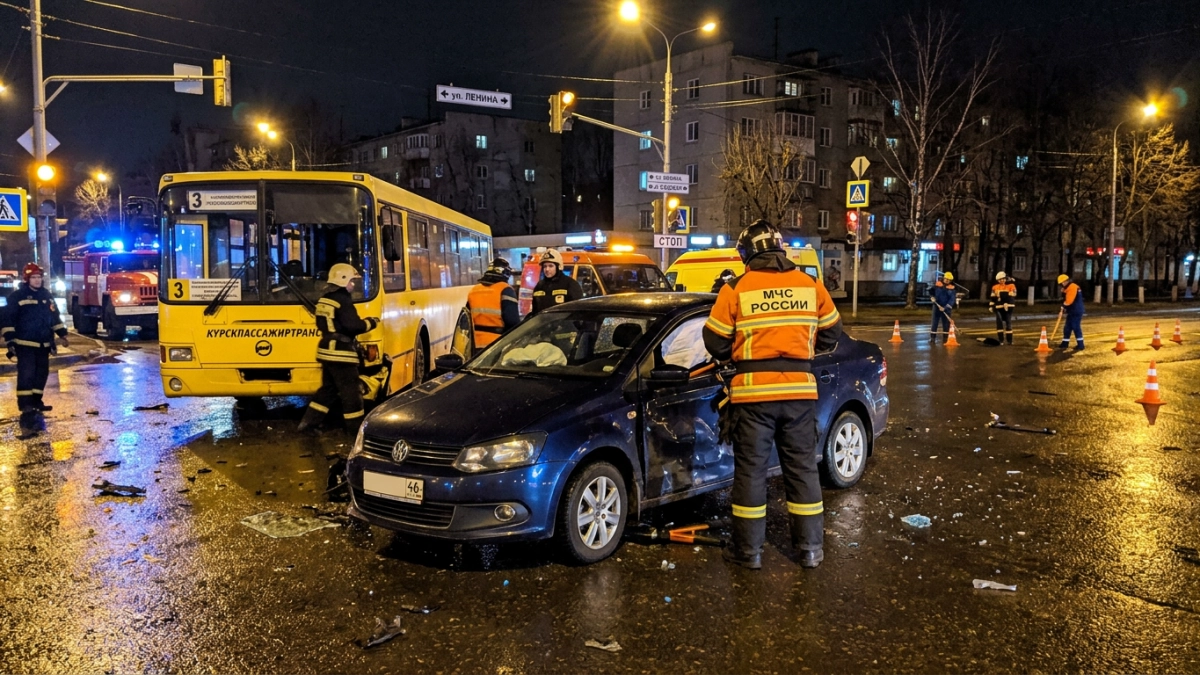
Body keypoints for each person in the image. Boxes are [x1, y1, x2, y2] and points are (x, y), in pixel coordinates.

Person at [703, 220, 843, 570]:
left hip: (753, 396)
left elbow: (714, 341)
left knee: (751, 473)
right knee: (802, 470)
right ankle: (810, 550)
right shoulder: (810, 284)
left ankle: (748, 552)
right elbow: (832, 333)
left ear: (747, 253)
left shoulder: (736, 288)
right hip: (799, 394)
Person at [297, 263, 380, 432]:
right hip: (341, 353)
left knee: (327, 390)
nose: (353, 285)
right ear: (343, 280)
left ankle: (308, 423)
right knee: (351, 392)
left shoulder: (324, 299)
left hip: (326, 350)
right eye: (351, 281)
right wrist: (371, 323)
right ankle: (356, 428)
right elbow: (353, 326)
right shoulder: (343, 299)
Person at [2, 263, 69, 416]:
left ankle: (36, 401)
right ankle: (25, 404)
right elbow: (7, 319)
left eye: (39, 277)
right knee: (27, 374)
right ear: (27, 279)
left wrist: (62, 334)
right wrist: (10, 340)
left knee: (41, 374)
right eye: (34, 277)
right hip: (24, 344)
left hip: (44, 344)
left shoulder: (46, 296)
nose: (37, 280)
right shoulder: (17, 296)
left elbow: (54, 317)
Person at [467, 257, 519, 349]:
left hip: (474, 344)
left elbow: (466, 320)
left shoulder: (474, 290)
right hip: (496, 345)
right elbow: (512, 322)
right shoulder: (505, 289)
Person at [529, 249, 582, 315]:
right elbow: (535, 312)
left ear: (558, 267)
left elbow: (577, 312)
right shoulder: (539, 286)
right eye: (545, 266)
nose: (547, 269)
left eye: (551, 266)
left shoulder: (570, 285)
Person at [928, 272, 961, 343]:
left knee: (946, 324)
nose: (947, 280)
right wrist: (932, 297)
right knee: (934, 323)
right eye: (946, 279)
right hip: (937, 307)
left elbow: (952, 300)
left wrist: (945, 307)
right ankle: (932, 338)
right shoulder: (937, 285)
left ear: (950, 281)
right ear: (943, 278)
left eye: (948, 280)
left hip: (946, 309)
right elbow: (931, 292)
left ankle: (945, 339)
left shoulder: (952, 289)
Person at [989, 271, 1018, 345]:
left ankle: (1009, 340)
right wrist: (991, 306)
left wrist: (1004, 296)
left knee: (1008, 323)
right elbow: (993, 298)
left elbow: (1013, 295)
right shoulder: (995, 287)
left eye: (1003, 279)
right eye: (1000, 279)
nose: (1002, 280)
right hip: (998, 307)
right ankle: (1001, 340)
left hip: (1008, 307)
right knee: (999, 324)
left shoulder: (1011, 286)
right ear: (998, 280)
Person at [1058, 274, 1085, 351]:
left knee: (1075, 327)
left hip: (1076, 311)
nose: (1062, 284)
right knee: (1067, 327)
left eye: (1062, 283)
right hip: (1072, 310)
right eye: (1061, 283)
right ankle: (1065, 343)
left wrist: (1063, 307)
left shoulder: (1072, 287)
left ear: (1066, 281)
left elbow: (1069, 301)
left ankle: (1080, 345)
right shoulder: (1071, 287)